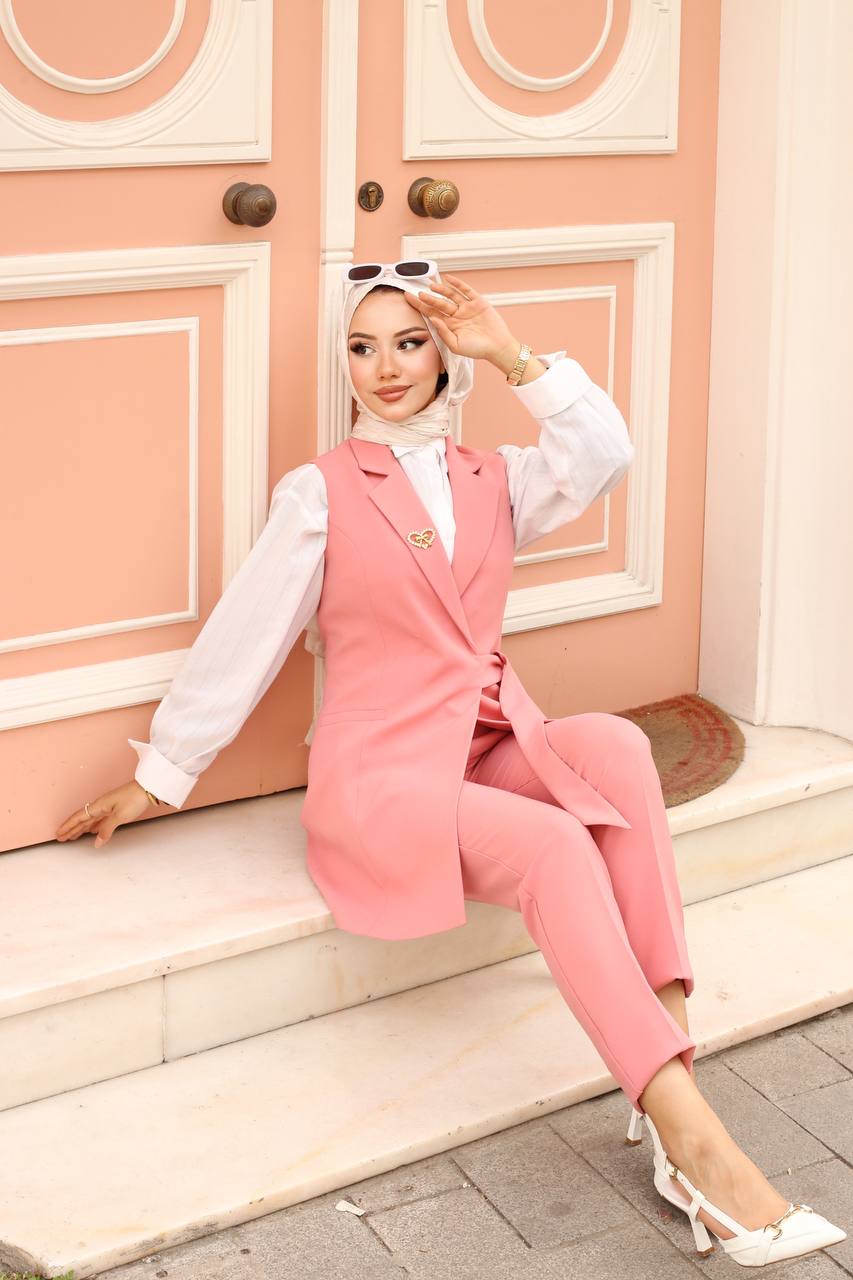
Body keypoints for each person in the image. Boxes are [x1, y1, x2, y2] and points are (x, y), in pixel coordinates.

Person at [55, 261, 845, 1267]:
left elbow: (604, 450)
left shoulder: (496, 478)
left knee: (612, 745)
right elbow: (245, 635)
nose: (384, 367)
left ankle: (667, 1090)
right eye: (361, 346)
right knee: (555, 845)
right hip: (381, 776)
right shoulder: (321, 491)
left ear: (443, 356)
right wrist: (161, 774)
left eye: (409, 342)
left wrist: (509, 352)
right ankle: (698, 1147)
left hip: (483, 742)